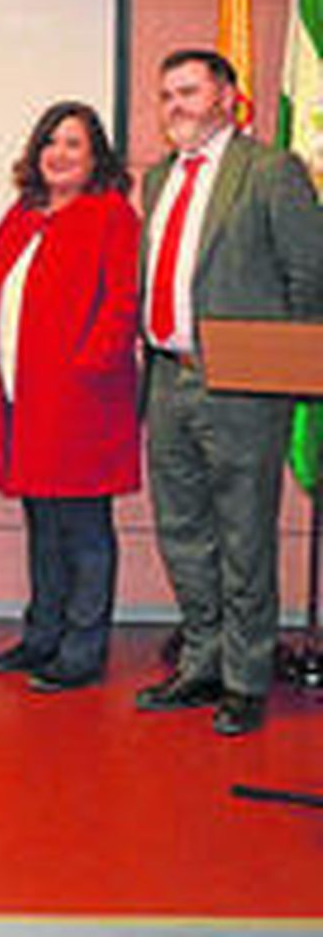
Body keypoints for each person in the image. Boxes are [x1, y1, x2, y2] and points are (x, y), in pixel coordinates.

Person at [135, 49, 323, 736]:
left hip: (244, 382)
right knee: (182, 530)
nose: (174, 104)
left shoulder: (269, 170)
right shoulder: (157, 178)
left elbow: (310, 275)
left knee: (244, 534)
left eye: (187, 90)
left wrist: (282, 363)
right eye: (165, 94)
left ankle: (246, 678)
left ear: (227, 97)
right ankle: (203, 661)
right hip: (166, 375)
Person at [0, 101, 139, 692]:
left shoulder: (111, 214)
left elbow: (122, 304)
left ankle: (82, 648)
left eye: (73, 144)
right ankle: (42, 633)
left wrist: (86, 368)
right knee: (42, 521)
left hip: (81, 399)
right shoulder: (22, 215)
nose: (59, 154)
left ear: (95, 157)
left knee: (85, 527)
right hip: (23, 396)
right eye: (51, 142)